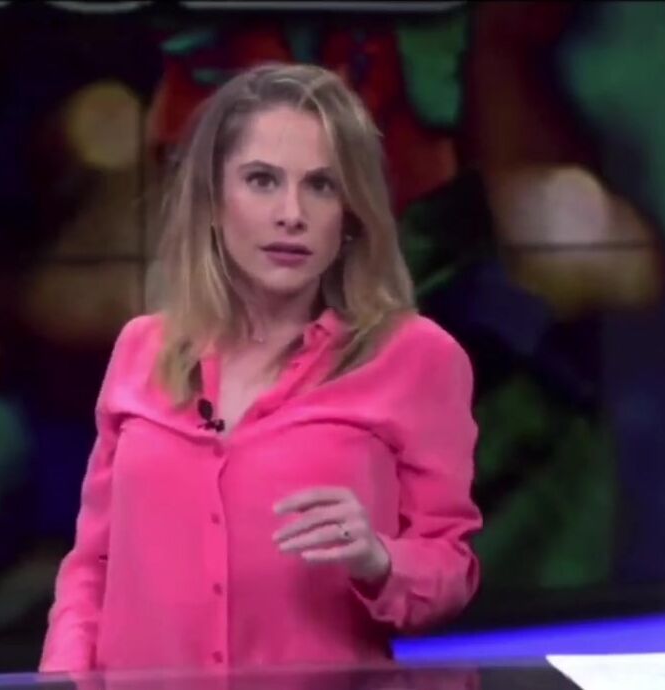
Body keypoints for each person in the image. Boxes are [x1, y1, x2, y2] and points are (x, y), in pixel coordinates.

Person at [39, 62, 483, 674]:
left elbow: (450, 570)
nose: (291, 213)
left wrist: (379, 559)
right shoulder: (142, 349)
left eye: (321, 185)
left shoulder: (416, 357)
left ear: (351, 213)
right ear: (213, 202)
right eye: (262, 180)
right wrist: (62, 677)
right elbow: (93, 565)